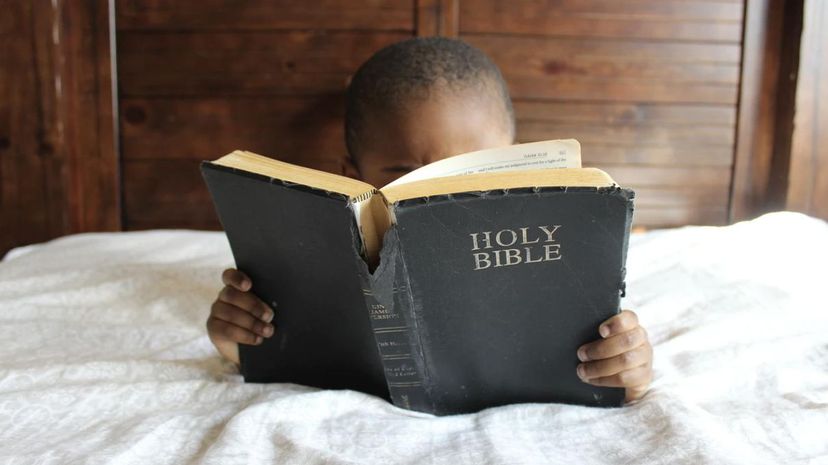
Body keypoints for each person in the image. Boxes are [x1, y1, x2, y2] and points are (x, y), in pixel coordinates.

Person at [206, 37, 653, 402]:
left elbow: (615, 366)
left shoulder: (558, 251)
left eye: (476, 169)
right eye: (406, 175)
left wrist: (625, 368)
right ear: (351, 176)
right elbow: (274, 348)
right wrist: (240, 339)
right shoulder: (316, 260)